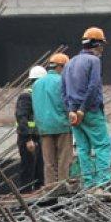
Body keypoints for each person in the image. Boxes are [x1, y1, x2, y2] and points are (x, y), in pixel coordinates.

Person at [62, 27, 111, 190]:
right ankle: (103, 184)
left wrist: (71, 110)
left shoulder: (69, 63)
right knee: (102, 146)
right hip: (90, 111)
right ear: (95, 44)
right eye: (101, 45)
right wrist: (82, 109)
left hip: (73, 114)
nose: (102, 49)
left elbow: (63, 90)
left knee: (83, 149)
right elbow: (93, 87)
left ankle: (89, 185)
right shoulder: (94, 61)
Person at [32, 53, 72, 187]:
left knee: (49, 161)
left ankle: (50, 187)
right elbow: (66, 103)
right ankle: (62, 186)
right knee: (64, 159)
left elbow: (35, 106)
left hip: (44, 128)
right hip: (62, 125)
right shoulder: (62, 81)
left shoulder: (37, 84)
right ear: (61, 67)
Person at [16, 66, 45, 192]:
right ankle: (26, 195)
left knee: (40, 170)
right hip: (28, 139)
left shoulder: (38, 95)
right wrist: (28, 139)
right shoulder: (26, 96)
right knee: (28, 170)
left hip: (38, 138)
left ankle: (40, 195)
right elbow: (21, 118)